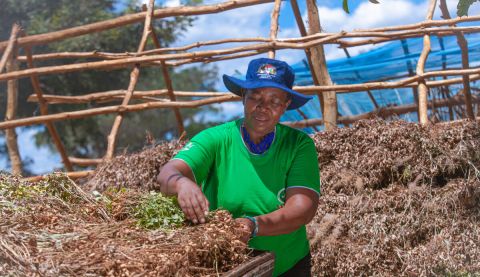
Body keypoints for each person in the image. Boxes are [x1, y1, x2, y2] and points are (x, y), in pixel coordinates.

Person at [157, 57, 320, 277]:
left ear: (285, 105)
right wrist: (181, 183)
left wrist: (253, 225)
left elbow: (303, 209)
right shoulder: (216, 139)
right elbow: (168, 173)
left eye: (274, 101)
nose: (263, 108)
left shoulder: (298, 145)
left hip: (288, 265)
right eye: (255, 97)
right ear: (243, 97)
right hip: (229, 265)